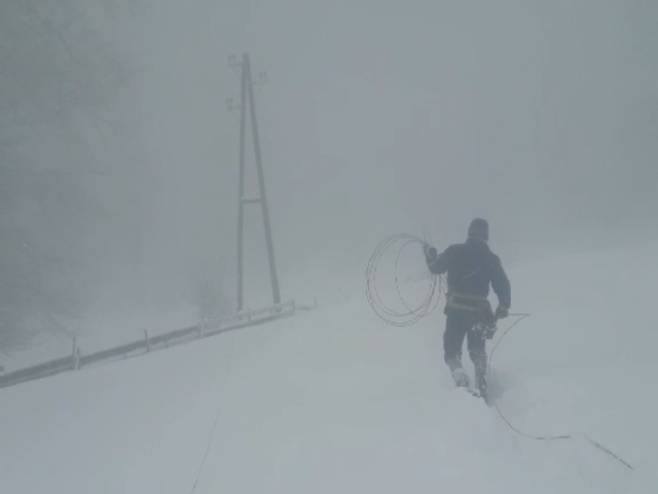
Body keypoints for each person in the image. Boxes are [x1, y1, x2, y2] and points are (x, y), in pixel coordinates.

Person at [423, 218, 511, 398]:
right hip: (479, 313)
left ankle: (460, 379)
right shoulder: (491, 259)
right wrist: (503, 306)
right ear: (486, 236)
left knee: (452, 352)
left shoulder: (454, 251)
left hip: (456, 311)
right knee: (477, 350)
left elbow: (435, 268)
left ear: (469, 233)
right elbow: (502, 284)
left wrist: (430, 255)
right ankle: (481, 380)